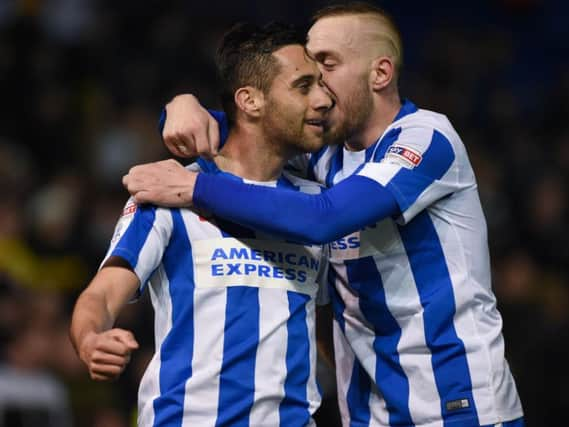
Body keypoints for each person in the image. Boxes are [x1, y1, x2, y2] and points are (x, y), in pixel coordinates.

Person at [123, 3, 525, 427]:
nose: (316, 86)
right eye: (308, 72)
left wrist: (195, 188)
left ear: (380, 74)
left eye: (327, 65)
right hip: (371, 414)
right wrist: (179, 105)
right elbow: (244, 125)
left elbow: (324, 217)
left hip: (458, 406)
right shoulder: (321, 154)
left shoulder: (427, 138)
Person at [71, 22, 335, 427]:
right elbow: (101, 296)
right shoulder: (167, 191)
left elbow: (324, 327)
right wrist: (90, 337)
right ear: (249, 100)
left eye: (320, 84)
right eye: (302, 86)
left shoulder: (319, 207)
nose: (322, 99)